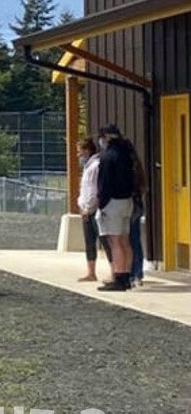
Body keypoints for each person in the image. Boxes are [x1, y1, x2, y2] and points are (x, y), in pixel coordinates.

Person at [95, 124, 137, 292]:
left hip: (112, 201)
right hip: (127, 200)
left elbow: (104, 183)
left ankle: (118, 276)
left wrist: (101, 204)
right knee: (125, 240)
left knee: (115, 241)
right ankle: (127, 276)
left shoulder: (108, 156)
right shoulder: (127, 153)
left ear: (105, 137)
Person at [75, 137, 109, 283]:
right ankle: (91, 272)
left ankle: (114, 271)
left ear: (87, 151)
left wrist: (88, 208)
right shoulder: (87, 166)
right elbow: (84, 189)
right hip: (85, 209)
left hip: (94, 209)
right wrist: (81, 205)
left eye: (80, 152)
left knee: (104, 240)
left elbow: (94, 190)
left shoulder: (95, 166)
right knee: (89, 242)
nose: (78, 156)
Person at [127, 138, 147, 287]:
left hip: (128, 206)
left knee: (126, 241)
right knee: (135, 240)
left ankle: (131, 272)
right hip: (138, 206)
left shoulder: (126, 167)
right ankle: (138, 273)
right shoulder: (138, 168)